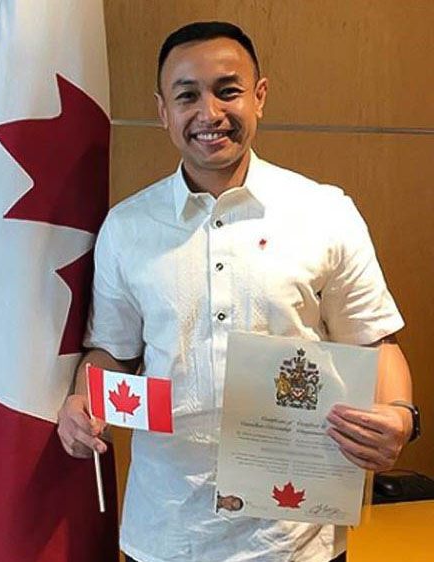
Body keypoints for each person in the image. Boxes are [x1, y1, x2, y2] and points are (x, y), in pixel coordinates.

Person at [58, 21, 418, 562]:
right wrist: (83, 400)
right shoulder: (127, 228)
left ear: (260, 96)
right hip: (166, 531)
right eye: (187, 95)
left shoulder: (325, 211)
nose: (209, 113)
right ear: (163, 111)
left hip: (295, 538)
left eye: (228, 90)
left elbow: (375, 340)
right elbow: (112, 350)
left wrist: (399, 413)